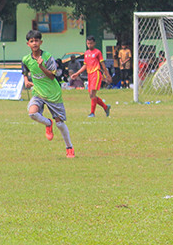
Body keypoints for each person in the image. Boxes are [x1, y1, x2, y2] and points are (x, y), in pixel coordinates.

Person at [22, 30, 74, 158]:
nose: (34, 43)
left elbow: (52, 76)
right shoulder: (26, 59)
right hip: (38, 92)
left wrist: (42, 67)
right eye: (32, 41)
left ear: (41, 42)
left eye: (37, 41)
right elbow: (25, 71)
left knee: (60, 124)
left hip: (53, 94)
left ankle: (69, 148)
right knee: (32, 113)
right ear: (28, 44)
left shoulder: (48, 57)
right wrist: (26, 80)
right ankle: (48, 123)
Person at [69, 36, 111, 118]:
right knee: (91, 96)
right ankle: (106, 107)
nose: (90, 45)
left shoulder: (98, 52)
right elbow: (85, 65)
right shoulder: (86, 53)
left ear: (94, 43)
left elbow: (103, 65)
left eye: (91, 43)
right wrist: (77, 73)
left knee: (92, 93)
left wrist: (107, 75)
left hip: (96, 73)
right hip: (90, 74)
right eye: (88, 43)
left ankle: (92, 113)